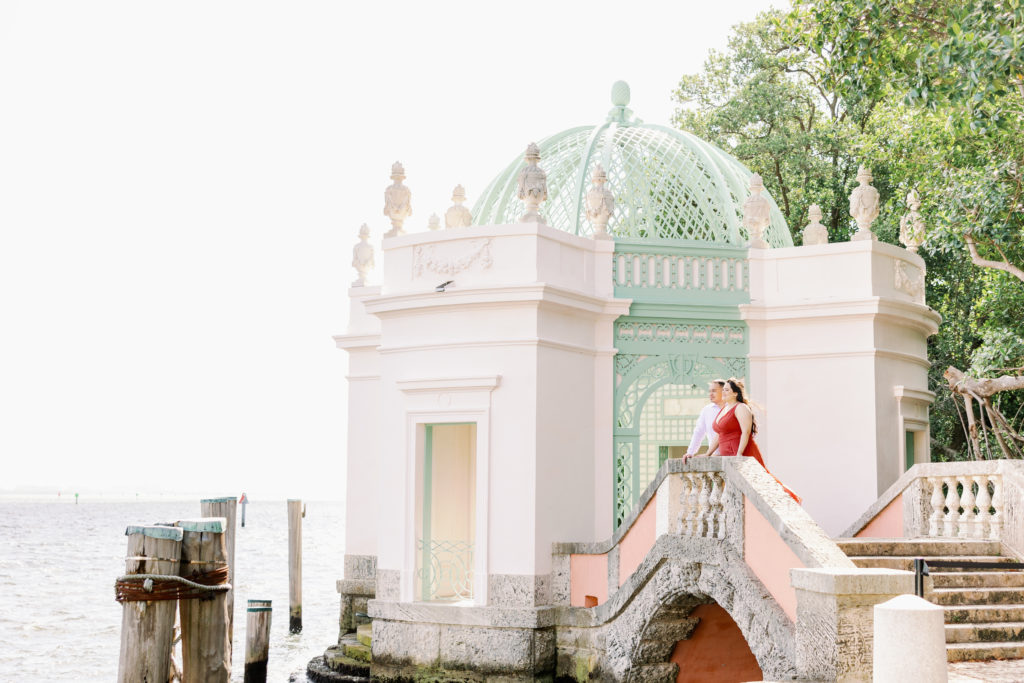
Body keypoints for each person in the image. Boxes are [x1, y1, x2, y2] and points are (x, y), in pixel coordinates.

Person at [687, 377, 801, 503]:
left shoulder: (741, 407)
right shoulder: (724, 409)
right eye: (723, 390)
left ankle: (789, 499)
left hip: (740, 450)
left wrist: (739, 454)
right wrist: (708, 453)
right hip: (727, 454)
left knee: (759, 484)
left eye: (727, 390)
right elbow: (719, 434)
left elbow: (746, 432)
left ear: (735, 393)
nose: (723, 392)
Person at [685, 379, 726, 457]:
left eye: (714, 391)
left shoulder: (733, 407)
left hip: (733, 455)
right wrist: (690, 452)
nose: (710, 394)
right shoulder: (707, 410)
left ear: (724, 391)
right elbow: (699, 432)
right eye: (709, 391)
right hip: (715, 456)